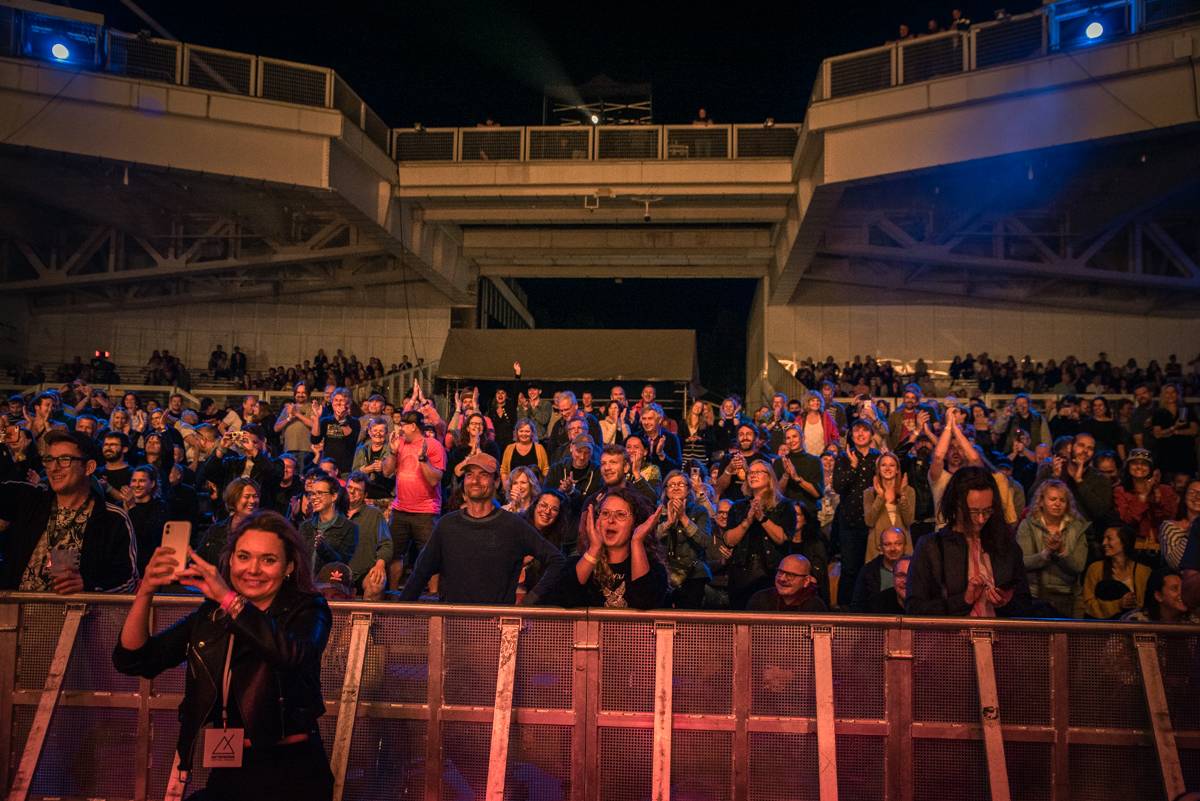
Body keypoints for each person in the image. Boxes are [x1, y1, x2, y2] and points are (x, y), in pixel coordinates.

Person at [113, 511, 334, 800]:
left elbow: (291, 654)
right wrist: (145, 593)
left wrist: (229, 599)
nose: (252, 569)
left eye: (268, 560)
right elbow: (135, 660)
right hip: (229, 767)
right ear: (229, 560)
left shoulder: (309, 608)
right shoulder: (212, 614)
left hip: (291, 769)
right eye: (243, 557)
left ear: (289, 566)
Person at [400, 453, 565, 604]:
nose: (474, 480)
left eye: (483, 475)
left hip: (496, 627)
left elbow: (557, 561)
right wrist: (395, 615)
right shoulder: (446, 525)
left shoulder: (513, 525)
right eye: (469, 474)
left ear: (497, 482)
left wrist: (530, 600)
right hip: (453, 626)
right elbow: (419, 575)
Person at [0, 430, 138, 593]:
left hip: (78, 615)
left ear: (89, 467)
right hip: (17, 615)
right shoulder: (30, 501)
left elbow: (129, 580)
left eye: (64, 459)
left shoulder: (112, 518)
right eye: (49, 459)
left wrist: (88, 585)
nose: (53, 468)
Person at [906, 466, 1033, 617]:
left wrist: (1006, 603)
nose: (981, 519)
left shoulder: (1006, 546)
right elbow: (915, 609)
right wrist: (964, 600)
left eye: (987, 511)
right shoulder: (931, 546)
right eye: (973, 512)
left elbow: (1025, 603)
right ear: (955, 505)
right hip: (950, 638)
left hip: (999, 637)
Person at [548, 486, 669, 609]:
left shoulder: (654, 568)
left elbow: (645, 603)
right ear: (597, 521)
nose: (611, 520)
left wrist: (637, 541)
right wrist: (594, 549)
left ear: (635, 523)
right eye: (605, 513)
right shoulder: (577, 564)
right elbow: (561, 600)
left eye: (621, 515)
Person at [725, 459, 795, 609]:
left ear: (769, 477)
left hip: (772, 573)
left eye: (758, 472)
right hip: (741, 572)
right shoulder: (738, 506)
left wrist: (761, 517)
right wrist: (748, 520)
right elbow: (729, 540)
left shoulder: (784, 506)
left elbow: (782, 539)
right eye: (750, 472)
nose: (752, 475)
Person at [387, 411, 446, 589]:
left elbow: (435, 479)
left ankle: (433, 596)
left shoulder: (433, 446)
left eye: (403, 424)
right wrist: (392, 452)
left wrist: (423, 459)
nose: (400, 428)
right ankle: (391, 594)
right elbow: (387, 471)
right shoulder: (400, 443)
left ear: (413, 426)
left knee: (430, 555)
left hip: (426, 511)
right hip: (400, 509)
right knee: (395, 554)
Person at [1016, 479, 1089, 617]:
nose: (1057, 504)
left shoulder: (1077, 527)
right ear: (1041, 501)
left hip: (1067, 598)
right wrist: (1046, 554)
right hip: (1034, 598)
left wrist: (1061, 551)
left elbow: (1078, 566)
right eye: (1053, 499)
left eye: (1062, 500)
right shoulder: (1027, 526)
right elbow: (1021, 562)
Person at [833, 419, 881, 607]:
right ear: (852, 435)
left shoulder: (878, 458)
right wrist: (853, 467)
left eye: (865, 431)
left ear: (871, 434)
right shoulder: (844, 458)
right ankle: (845, 609)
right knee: (849, 568)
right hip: (849, 521)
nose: (860, 434)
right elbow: (838, 486)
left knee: (871, 567)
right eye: (856, 431)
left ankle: (871, 608)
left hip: (873, 521)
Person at [656, 470, 713, 609]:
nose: (676, 487)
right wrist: (668, 524)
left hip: (693, 574)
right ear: (666, 490)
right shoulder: (657, 512)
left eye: (681, 484)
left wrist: (683, 518)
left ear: (688, 489)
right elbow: (650, 539)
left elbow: (705, 541)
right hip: (665, 574)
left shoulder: (699, 511)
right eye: (671, 485)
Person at [1113, 449, 1177, 561]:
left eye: (1144, 464)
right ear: (1128, 467)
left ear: (1151, 469)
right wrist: (1143, 496)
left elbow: (1169, 519)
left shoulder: (1165, 490)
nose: (1139, 467)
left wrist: (1156, 493)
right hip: (1133, 548)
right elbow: (1128, 520)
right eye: (1134, 463)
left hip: (1165, 548)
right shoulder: (1120, 491)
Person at [1079, 525, 1151, 619]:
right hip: (1103, 627)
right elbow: (1088, 605)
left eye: (1109, 539)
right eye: (1104, 538)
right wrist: (1118, 604)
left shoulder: (1143, 572)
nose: (1104, 543)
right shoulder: (1095, 569)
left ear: (1124, 542)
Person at [344, 471, 393, 596]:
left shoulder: (374, 514)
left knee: (376, 584)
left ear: (365, 495)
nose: (352, 492)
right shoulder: (334, 511)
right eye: (349, 487)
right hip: (337, 572)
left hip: (364, 572)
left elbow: (386, 544)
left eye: (357, 489)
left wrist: (380, 565)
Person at [298, 474, 358, 573]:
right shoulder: (305, 526)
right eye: (312, 494)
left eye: (320, 493)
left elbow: (342, 564)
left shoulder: (349, 528)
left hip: (329, 584)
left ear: (334, 496)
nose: (314, 497)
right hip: (305, 584)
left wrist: (324, 549)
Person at [862, 452, 915, 563]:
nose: (887, 468)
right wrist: (880, 497)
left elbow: (908, 521)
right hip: (878, 548)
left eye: (891, 465)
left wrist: (901, 496)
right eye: (883, 465)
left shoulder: (908, 491)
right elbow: (869, 521)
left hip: (902, 548)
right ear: (878, 470)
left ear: (897, 470)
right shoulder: (869, 493)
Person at [196, 478, 261, 565]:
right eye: (247, 496)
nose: (252, 501)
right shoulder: (215, 531)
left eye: (255, 496)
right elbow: (199, 561)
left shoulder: (263, 532)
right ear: (234, 499)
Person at [850, 527, 911, 613]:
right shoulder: (868, 571)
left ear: (905, 546)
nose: (893, 549)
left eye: (898, 544)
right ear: (881, 548)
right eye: (887, 544)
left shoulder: (916, 568)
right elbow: (857, 605)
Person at [125, 465, 171, 575]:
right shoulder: (121, 506)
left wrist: (132, 508)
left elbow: (148, 534)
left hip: (148, 565)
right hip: (126, 565)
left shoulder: (160, 507)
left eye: (142, 481)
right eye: (134, 481)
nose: (136, 485)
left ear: (152, 484)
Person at [746, 554, 828, 613]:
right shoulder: (760, 599)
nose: (782, 579)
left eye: (791, 575)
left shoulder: (815, 606)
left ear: (806, 581)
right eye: (780, 572)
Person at [309, 388, 360, 477]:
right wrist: (317, 418)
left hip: (346, 469)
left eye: (341, 400)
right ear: (332, 402)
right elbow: (315, 440)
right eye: (336, 400)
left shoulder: (354, 422)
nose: (338, 403)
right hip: (327, 468)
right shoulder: (326, 421)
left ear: (348, 404)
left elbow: (351, 440)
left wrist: (341, 420)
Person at [1121, 568, 1199, 623]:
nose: (1182, 593)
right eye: (1174, 588)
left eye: (1183, 588)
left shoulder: (1194, 621)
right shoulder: (1137, 621)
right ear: (1158, 596)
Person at [1161, 478, 1200, 569]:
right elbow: (1176, 564)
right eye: (1192, 492)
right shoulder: (1169, 527)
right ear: (1184, 497)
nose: (1197, 497)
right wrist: (1192, 531)